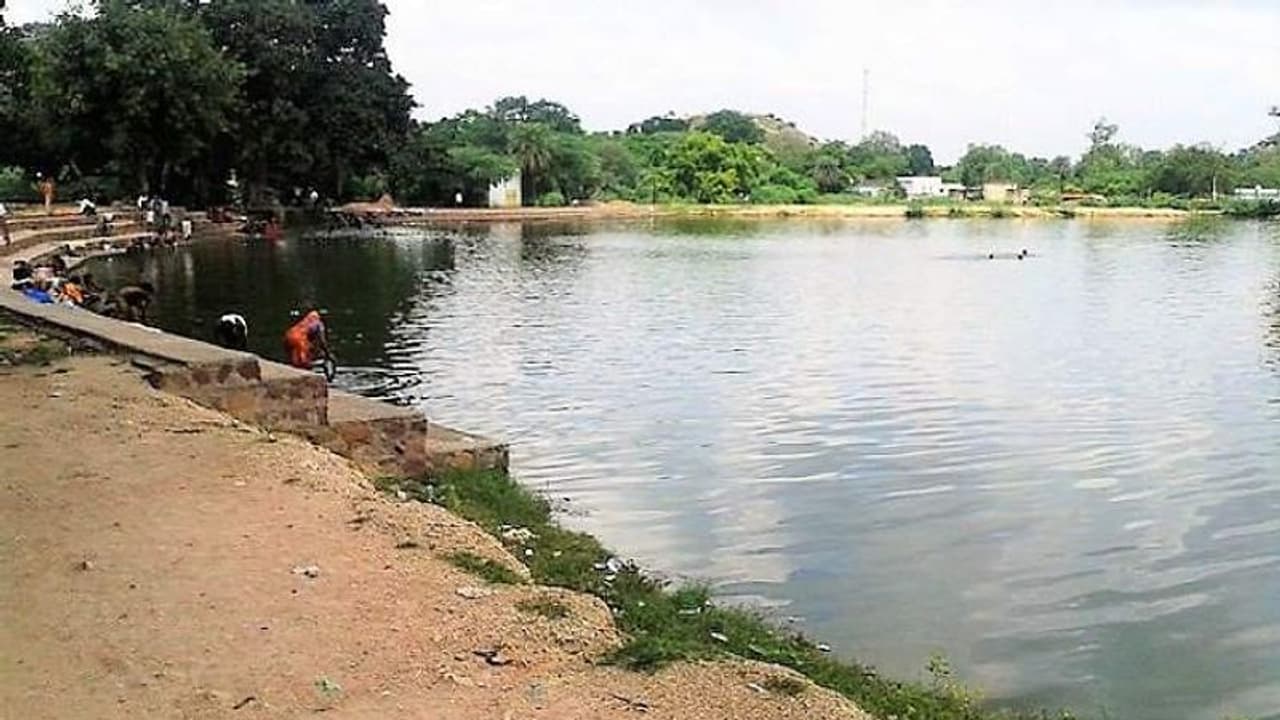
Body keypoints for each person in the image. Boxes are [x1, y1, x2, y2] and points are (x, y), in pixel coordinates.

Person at [283, 309, 333, 378]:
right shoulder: (319, 324)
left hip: (289, 335)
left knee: (295, 362)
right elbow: (322, 341)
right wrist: (328, 354)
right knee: (303, 364)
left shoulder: (306, 320)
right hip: (299, 339)